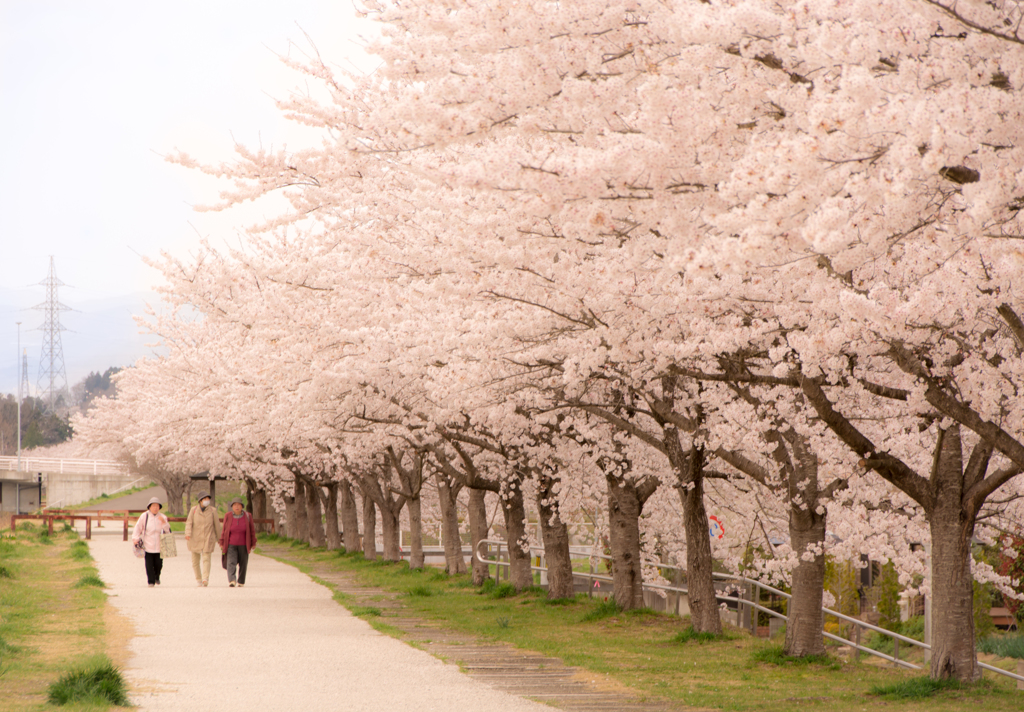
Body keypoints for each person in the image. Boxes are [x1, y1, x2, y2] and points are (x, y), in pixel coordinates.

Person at [131, 496, 171, 587]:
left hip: (159, 546)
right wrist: (135, 538)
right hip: (147, 545)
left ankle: (157, 576)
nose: (155, 508)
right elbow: (137, 528)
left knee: (158, 564)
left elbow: (168, 531)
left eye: (157, 506)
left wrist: (164, 522)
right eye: (153, 506)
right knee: (149, 565)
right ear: (149, 507)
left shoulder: (163, 517)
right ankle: (151, 581)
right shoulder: (144, 516)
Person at [184, 492, 222, 587]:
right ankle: (198, 579)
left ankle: (205, 578)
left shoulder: (213, 511)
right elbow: (189, 523)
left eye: (208, 499)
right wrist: (188, 533)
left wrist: (219, 538)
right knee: (195, 561)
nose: (206, 501)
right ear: (200, 501)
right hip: (195, 538)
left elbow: (217, 525)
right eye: (204, 499)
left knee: (206, 558)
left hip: (208, 537)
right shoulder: (194, 510)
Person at [219, 497, 257, 588]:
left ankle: (241, 581)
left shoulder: (248, 516)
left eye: (239, 505)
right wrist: (222, 541)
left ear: (242, 506)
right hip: (231, 544)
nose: (237, 506)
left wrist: (253, 543)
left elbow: (252, 530)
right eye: (234, 505)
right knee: (231, 562)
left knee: (243, 563)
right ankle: (232, 580)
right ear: (232, 506)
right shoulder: (228, 516)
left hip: (244, 544)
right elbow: (224, 530)